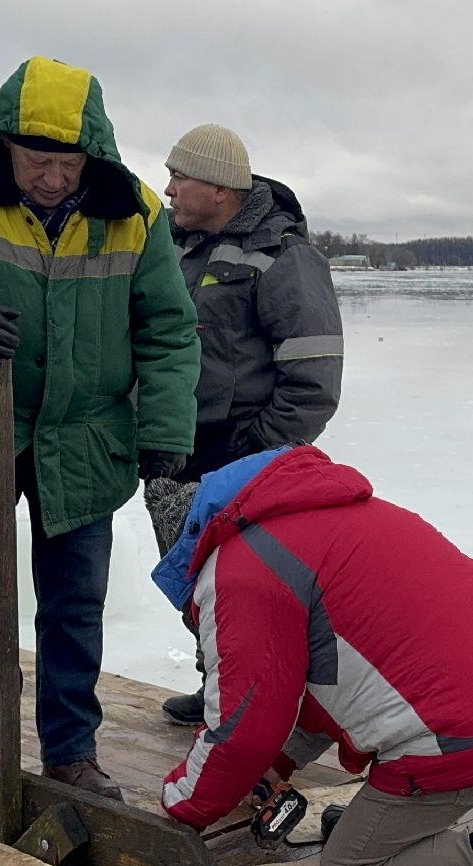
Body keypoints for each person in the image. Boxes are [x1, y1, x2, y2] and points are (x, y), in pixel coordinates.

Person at [0, 56, 200, 800]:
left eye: (68, 162)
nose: (53, 178)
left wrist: (164, 429)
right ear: (5, 144)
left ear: (94, 153)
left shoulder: (137, 213)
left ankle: (70, 747)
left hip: (86, 435)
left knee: (74, 595)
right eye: (37, 160)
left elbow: (168, 330)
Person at [144, 448, 473, 866]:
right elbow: (329, 675)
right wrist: (279, 765)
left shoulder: (239, 573)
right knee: (366, 808)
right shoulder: (334, 510)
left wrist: (180, 806)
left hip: (465, 730)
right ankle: (380, 823)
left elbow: (242, 730)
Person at [157, 123, 345, 727]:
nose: (168, 189)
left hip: (239, 463)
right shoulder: (169, 248)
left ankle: (261, 705)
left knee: (246, 593)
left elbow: (314, 383)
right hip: (174, 455)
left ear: (218, 188)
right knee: (196, 588)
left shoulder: (284, 257)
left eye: (179, 177)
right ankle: (219, 685)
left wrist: (254, 453)